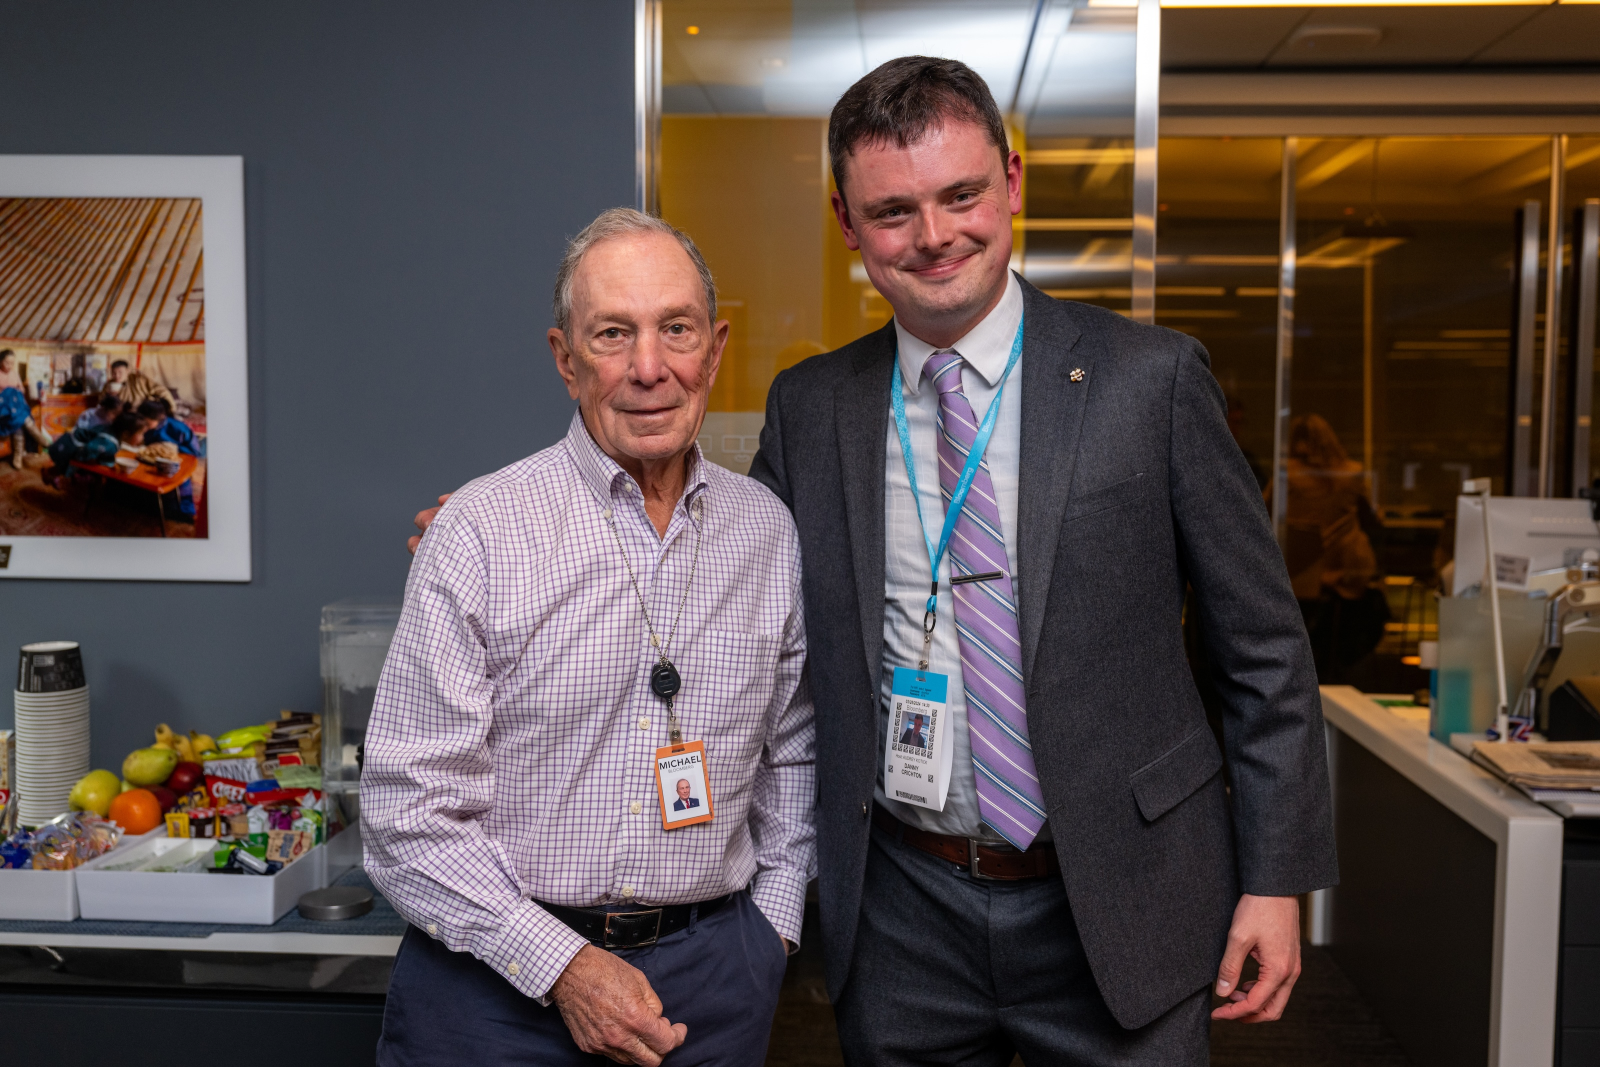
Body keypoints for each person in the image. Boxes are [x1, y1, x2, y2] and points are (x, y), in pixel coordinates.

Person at [409, 57, 1335, 1067]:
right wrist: (509, 517)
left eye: (961, 195)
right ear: (848, 226)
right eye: (893, 210)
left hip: (1121, 888)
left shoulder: (1147, 381)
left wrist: (1275, 876)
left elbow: (1263, 651)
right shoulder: (817, 406)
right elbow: (711, 543)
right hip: (905, 905)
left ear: (1012, 181)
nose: (934, 236)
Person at [366, 207, 814, 1067]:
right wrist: (563, 965)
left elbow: (793, 752)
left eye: (675, 329)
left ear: (714, 349)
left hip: (712, 985)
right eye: (614, 334)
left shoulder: (767, 532)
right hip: (492, 989)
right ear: (566, 360)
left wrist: (772, 927)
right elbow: (405, 809)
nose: (650, 368)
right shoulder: (482, 532)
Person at [1270, 413, 1387, 681]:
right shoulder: (1352, 473)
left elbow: (1261, 512)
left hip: (1298, 575)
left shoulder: (1286, 475)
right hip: (1346, 577)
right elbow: (1370, 519)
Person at [41, 409, 152, 490]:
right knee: (65, 466)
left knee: (69, 466)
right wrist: (89, 462)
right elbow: (88, 450)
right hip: (69, 448)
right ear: (126, 434)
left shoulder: (111, 432)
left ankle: (54, 473)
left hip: (73, 443)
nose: (143, 438)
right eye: (141, 434)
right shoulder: (109, 442)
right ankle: (48, 473)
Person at [136, 398, 200, 520]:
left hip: (174, 463)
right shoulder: (147, 427)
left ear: (159, 419)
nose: (143, 425)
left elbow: (194, 452)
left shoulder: (178, 429)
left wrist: (169, 449)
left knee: (175, 488)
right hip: (150, 461)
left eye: (146, 422)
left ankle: (181, 513)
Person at [0, 350, 53, 470]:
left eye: (12, 363)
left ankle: (17, 457)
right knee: (22, 419)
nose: (10, 366)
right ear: (1, 361)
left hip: (16, 406)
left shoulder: (14, 373)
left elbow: (21, 389)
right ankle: (42, 441)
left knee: (20, 420)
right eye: (7, 362)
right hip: (4, 409)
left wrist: (18, 391)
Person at [106, 359, 173, 411]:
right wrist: (110, 397)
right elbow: (102, 401)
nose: (117, 376)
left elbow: (161, 390)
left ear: (127, 371)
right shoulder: (109, 384)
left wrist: (169, 409)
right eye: (113, 373)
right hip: (119, 415)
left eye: (120, 372)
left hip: (140, 414)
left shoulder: (138, 380)